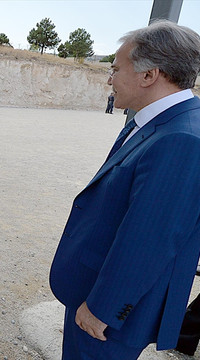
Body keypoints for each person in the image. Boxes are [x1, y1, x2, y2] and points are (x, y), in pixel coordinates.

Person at [49, 21, 200, 359]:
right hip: (93, 284)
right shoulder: (152, 120)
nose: (110, 79)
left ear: (149, 75)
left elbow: (153, 239)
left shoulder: (183, 139)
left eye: (116, 69)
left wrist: (104, 309)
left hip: (108, 313)